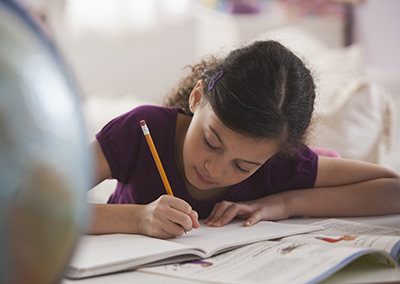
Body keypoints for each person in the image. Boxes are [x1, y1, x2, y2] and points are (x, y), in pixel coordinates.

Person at [89, 40, 400, 239]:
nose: (216, 170)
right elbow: (42, 203)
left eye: (243, 165)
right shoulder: (142, 130)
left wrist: (286, 204)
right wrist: (139, 218)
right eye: (211, 142)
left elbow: (393, 190)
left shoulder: (278, 163)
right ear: (198, 97)